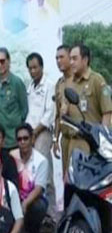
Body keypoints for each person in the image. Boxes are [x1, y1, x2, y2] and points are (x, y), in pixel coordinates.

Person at [65, 45, 112, 171]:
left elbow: (107, 113)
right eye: (70, 59)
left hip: (91, 143)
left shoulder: (97, 80)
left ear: (85, 60)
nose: (71, 62)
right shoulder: (70, 83)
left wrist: (100, 142)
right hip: (73, 142)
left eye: (75, 58)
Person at [25, 52, 56, 225]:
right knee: (31, 173)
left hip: (42, 133)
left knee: (43, 171)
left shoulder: (49, 86)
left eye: (35, 67)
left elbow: (50, 113)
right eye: (30, 68)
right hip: (30, 134)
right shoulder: (29, 87)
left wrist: (35, 132)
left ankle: (51, 215)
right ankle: (36, 214)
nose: (33, 71)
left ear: (42, 67)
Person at [9, 124, 48, 233]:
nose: (23, 142)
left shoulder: (41, 161)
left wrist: (25, 203)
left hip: (32, 199)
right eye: (19, 139)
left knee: (40, 206)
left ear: (32, 139)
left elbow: (39, 188)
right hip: (14, 197)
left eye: (25, 138)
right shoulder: (11, 156)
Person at [0, 47, 28, 149]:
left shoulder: (17, 83)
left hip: (12, 139)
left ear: (9, 61)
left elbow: (24, 110)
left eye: (2, 61)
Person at [53, 45, 73, 180]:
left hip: (79, 138)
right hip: (65, 138)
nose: (58, 61)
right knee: (66, 179)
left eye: (61, 57)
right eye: (56, 58)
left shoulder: (78, 81)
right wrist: (55, 139)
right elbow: (57, 115)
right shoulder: (59, 84)